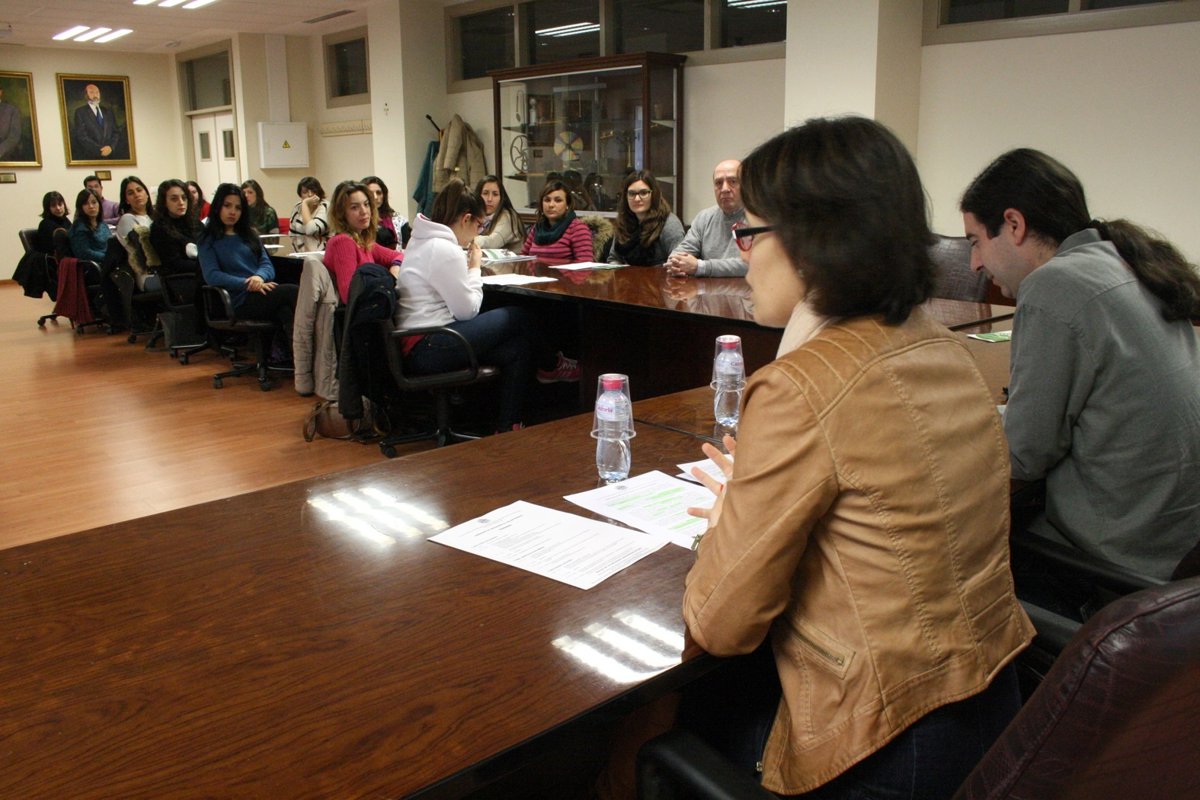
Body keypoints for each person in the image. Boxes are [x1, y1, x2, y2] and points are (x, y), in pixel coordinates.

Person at [680, 118, 1033, 799]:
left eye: (750, 232)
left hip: (875, 741)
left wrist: (725, 528)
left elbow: (722, 624)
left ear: (812, 242)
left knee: (642, 732)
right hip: (991, 708)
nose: (743, 254)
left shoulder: (801, 386)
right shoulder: (950, 353)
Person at [961, 148, 1200, 583]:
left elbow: (1022, 457)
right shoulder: (1123, 261)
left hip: (1119, 569)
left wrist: (952, 427)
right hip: (1177, 550)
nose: (974, 263)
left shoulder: (1054, 285)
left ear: (1013, 224)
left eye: (975, 241)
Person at [398, 179, 539, 432]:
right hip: (431, 344)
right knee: (518, 315)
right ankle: (552, 366)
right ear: (466, 219)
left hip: (418, 344)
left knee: (516, 348)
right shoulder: (445, 248)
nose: (478, 232)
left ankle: (508, 427)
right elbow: (467, 311)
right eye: (480, 225)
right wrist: (474, 267)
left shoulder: (420, 241)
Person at [199, 183, 299, 353]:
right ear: (217, 207)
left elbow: (266, 264)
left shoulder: (250, 234)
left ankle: (294, 360)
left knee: (285, 312)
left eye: (238, 208)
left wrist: (259, 277)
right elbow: (212, 275)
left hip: (259, 290)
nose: (233, 212)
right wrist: (248, 283)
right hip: (237, 299)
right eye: (227, 206)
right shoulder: (207, 238)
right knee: (293, 292)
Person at [323, 181, 404, 304]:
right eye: (354, 207)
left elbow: (399, 256)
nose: (364, 211)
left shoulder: (362, 241)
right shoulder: (343, 242)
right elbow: (350, 296)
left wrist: (395, 267)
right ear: (341, 214)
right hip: (362, 312)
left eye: (366, 204)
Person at [666, 159, 748, 277]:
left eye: (733, 181)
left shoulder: (760, 218)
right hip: (707, 288)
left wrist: (701, 267)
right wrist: (676, 262)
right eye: (718, 183)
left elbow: (753, 264)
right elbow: (678, 254)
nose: (725, 188)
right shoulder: (704, 218)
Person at [607, 170, 685, 266]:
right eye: (632, 193)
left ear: (654, 195)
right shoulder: (623, 221)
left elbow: (678, 264)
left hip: (661, 275)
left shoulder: (669, 223)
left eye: (643, 193)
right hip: (625, 275)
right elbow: (614, 258)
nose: (637, 199)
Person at [519, 179, 593, 261]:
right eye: (547, 200)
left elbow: (585, 264)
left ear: (567, 205)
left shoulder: (578, 229)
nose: (551, 205)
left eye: (558, 200)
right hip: (534, 269)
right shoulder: (537, 228)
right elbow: (522, 258)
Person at [149, 179, 203, 279]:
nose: (181, 202)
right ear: (164, 202)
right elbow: (174, 264)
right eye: (174, 199)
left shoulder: (194, 221)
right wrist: (207, 266)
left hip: (204, 270)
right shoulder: (159, 228)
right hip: (184, 278)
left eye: (184, 198)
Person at [473, 175, 525, 252]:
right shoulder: (475, 215)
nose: (489, 199)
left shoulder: (508, 216)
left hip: (511, 260)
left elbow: (492, 242)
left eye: (495, 194)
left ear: (501, 198)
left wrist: (468, 240)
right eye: (485, 193)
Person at [71, 83, 121, 160]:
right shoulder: (80, 112)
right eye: (91, 92)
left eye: (97, 92)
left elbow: (115, 133)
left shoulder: (108, 111)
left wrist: (111, 147)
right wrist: (99, 150)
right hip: (91, 156)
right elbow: (82, 136)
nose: (95, 95)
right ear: (86, 95)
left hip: (110, 156)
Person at [114, 175, 154, 262]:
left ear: (147, 194)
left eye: (139, 190)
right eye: (130, 193)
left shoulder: (154, 217)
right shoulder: (127, 219)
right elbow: (138, 252)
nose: (136, 195)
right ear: (126, 200)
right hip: (142, 266)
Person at [362, 175, 408, 249]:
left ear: (384, 195)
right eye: (370, 193)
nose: (375, 197)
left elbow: (408, 248)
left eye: (379, 193)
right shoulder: (360, 220)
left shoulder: (398, 220)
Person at [67, 188, 112, 263]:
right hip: (94, 265)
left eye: (94, 202)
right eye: (86, 203)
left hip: (109, 261)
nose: (91, 206)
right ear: (80, 207)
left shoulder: (102, 223)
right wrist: (108, 258)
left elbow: (111, 244)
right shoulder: (79, 228)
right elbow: (84, 253)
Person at [289, 176, 330, 253]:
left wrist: (305, 203)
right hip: (300, 252)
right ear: (300, 195)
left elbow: (311, 231)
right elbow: (292, 235)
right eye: (305, 192)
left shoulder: (325, 206)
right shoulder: (297, 207)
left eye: (313, 191)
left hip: (321, 252)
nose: (310, 195)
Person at [0, 85, 22, 161]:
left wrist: (1, 150)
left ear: (0, 92)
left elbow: (14, 136)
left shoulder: (12, 110)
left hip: (5, 157)